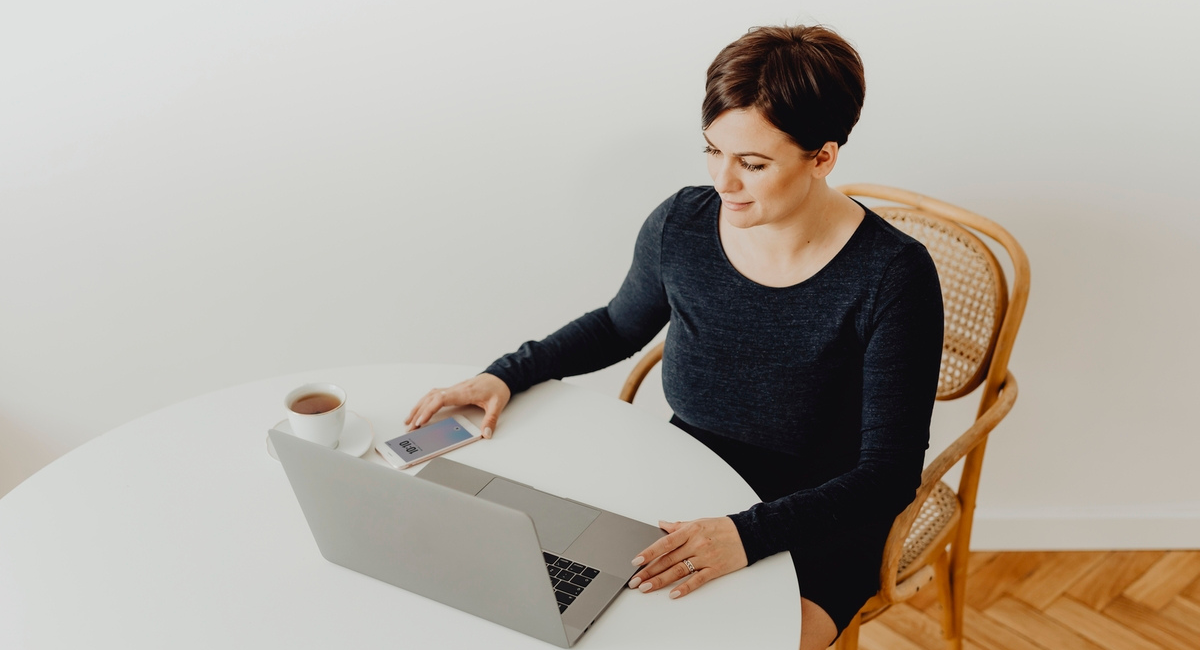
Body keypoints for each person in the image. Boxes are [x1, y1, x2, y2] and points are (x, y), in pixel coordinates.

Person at [405, 24, 943, 650]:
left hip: (824, 510)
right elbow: (615, 326)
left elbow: (888, 474)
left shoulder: (893, 276)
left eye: (753, 163)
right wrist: (505, 373)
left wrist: (745, 534)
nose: (723, 181)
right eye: (713, 150)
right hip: (688, 467)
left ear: (822, 157)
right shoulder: (681, 226)